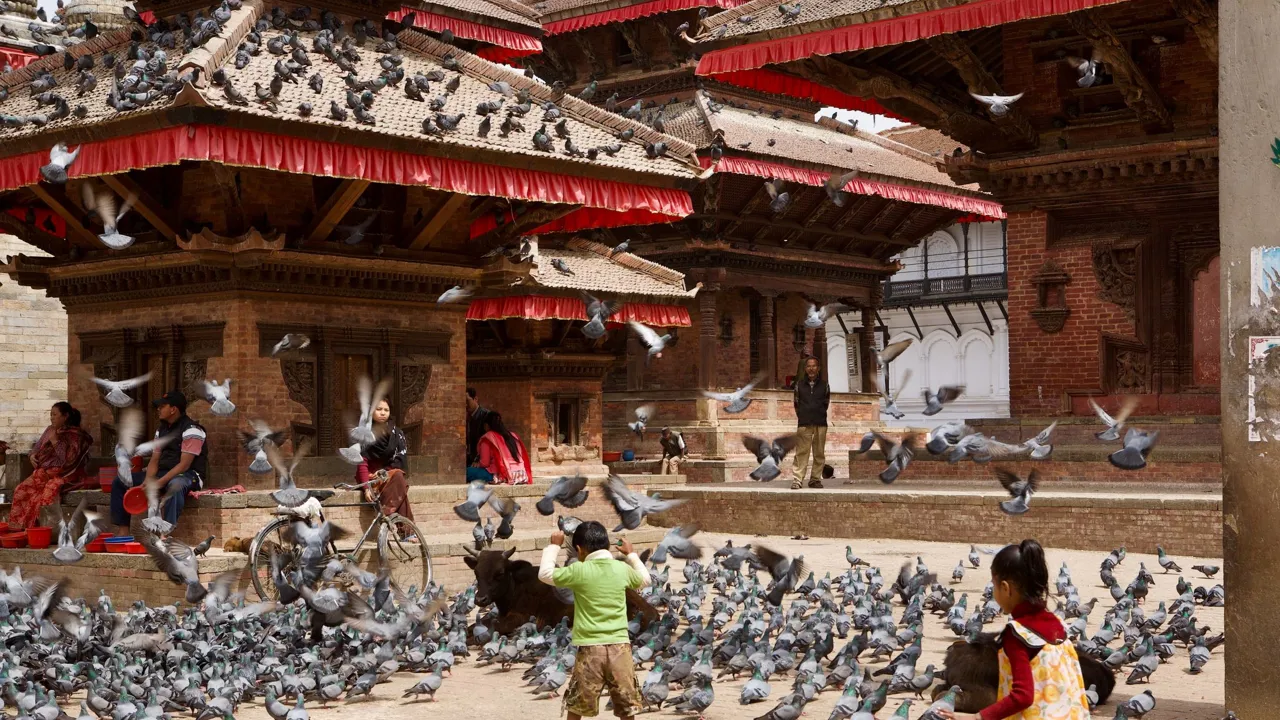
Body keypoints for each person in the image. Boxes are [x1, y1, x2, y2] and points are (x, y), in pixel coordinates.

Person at [942, 539, 1091, 720]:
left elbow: (1023, 696)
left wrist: (977, 717)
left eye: (994, 585)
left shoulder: (1018, 635)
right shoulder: (1059, 625)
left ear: (1005, 588)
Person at [538, 521, 650, 720]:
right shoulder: (620, 569)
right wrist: (631, 554)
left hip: (590, 649)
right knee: (627, 708)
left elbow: (545, 574)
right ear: (607, 545)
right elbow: (645, 580)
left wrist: (554, 546)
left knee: (577, 706)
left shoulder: (579, 570)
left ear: (579, 549)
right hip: (620, 648)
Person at [110, 390, 207, 534]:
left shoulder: (192, 430)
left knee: (175, 485)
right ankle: (123, 531)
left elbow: (184, 465)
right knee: (120, 482)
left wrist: (158, 483)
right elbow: (154, 460)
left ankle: (165, 535)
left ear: (173, 409)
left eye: (162, 406)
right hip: (163, 473)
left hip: (188, 475)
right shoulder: (161, 431)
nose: (158, 409)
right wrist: (147, 481)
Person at [7, 402, 93, 529]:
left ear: (65, 416)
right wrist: (32, 455)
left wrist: (55, 441)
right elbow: (36, 447)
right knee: (21, 490)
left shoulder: (76, 436)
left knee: (47, 494)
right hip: (44, 473)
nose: (51, 418)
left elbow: (68, 460)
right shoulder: (49, 430)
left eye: (55, 415)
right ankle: (19, 528)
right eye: (50, 414)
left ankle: (43, 530)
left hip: (65, 475)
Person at [355, 398, 415, 523]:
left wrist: (383, 472)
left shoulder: (397, 433)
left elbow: (399, 459)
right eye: (379, 409)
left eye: (386, 410)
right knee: (399, 484)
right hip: (371, 479)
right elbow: (362, 463)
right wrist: (366, 488)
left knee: (398, 476)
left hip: (389, 476)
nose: (383, 413)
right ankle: (403, 528)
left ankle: (385, 514)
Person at [792, 354, 829, 490]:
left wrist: (818, 413)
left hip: (820, 422)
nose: (811, 369)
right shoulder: (799, 385)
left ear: (818, 368)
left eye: (814, 366)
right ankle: (797, 479)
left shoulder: (824, 385)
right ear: (805, 368)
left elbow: (826, 403)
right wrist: (803, 415)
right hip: (804, 423)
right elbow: (796, 404)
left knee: (819, 453)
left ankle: (815, 479)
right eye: (809, 366)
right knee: (801, 452)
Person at [469, 412, 531, 484]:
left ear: (486, 425)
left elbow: (485, 463)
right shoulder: (513, 436)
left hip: (502, 474)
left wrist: (478, 464)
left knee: (467, 472)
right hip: (520, 474)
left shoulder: (488, 438)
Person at [465, 387, 489, 468]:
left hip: (481, 461)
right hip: (469, 459)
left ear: (475, 399)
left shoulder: (485, 415)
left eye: (467, 401)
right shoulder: (467, 417)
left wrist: (479, 459)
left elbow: (487, 441)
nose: (465, 405)